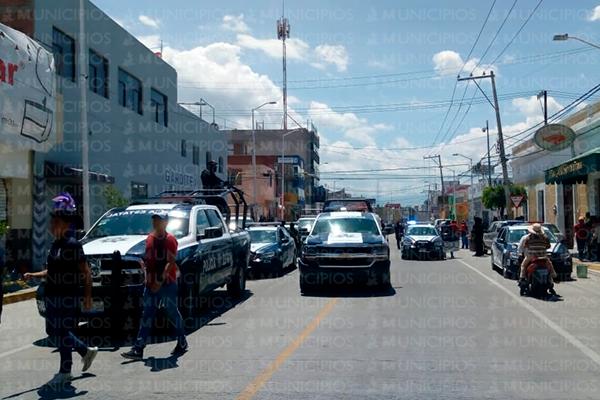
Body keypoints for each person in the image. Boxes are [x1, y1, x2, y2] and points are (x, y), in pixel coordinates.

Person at [24, 193, 98, 387]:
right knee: (53, 330)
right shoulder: (55, 245)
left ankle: (65, 371)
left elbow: (86, 272)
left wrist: (88, 296)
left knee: (62, 331)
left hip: (67, 296)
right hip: (53, 295)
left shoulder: (72, 245)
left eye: (54, 222)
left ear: (64, 224)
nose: (50, 226)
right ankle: (85, 351)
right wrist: (35, 274)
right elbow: (53, 270)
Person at [121, 212, 188, 360]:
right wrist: (147, 276)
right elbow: (148, 259)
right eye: (154, 220)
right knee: (147, 315)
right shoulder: (150, 238)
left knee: (171, 312)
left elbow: (170, 262)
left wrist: (159, 281)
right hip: (150, 284)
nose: (155, 223)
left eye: (158, 220)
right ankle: (138, 348)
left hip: (167, 284)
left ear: (165, 223)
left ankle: (182, 341)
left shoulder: (170, 240)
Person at [518, 223, 557, 295]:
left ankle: (522, 278)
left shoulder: (529, 238)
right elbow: (548, 246)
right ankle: (553, 275)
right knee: (550, 264)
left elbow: (526, 246)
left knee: (523, 265)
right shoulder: (545, 237)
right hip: (543, 256)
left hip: (531, 256)